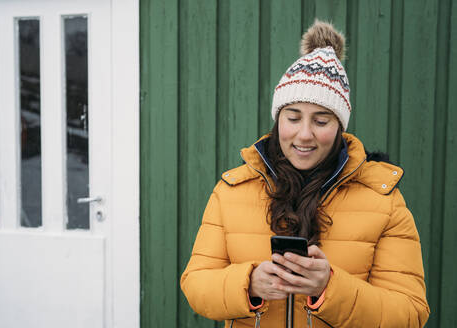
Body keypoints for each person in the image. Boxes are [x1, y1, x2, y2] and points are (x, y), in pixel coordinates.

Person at [180, 20, 430, 328]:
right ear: (278, 119)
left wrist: (330, 288)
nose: (304, 135)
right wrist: (249, 285)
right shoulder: (231, 191)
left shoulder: (384, 201)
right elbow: (195, 284)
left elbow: (410, 313)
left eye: (321, 121)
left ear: (340, 127)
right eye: (293, 117)